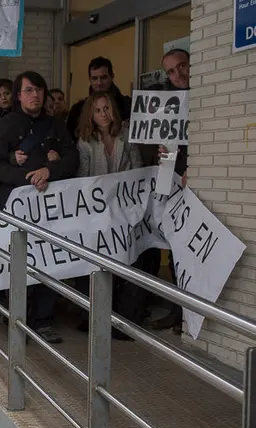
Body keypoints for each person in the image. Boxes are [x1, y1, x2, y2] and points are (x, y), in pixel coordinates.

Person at [0, 71, 79, 344]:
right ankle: (17, 316)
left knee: (48, 261)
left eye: (39, 90)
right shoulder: (5, 125)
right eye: (28, 90)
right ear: (18, 95)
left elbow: (72, 157)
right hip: (16, 207)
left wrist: (49, 170)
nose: (35, 95)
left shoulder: (56, 125)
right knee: (17, 262)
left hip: (49, 207)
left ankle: (44, 320)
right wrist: (28, 177)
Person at [74, 92, 144, 339]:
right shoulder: (85, 141)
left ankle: (124, 322)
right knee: (95, 264)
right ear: (90, 116)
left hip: (125, 209)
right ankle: (92, 316)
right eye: (98, 110)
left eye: (107, 108)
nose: (103, 114)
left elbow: (136, 170)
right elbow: (83, 177)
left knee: (128, 263)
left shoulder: (128, 137)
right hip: (97, 211)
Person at [149, 48, 191, 335]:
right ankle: (178, 313)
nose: (178, 75)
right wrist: (160, 150)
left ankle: (188, 315)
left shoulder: (207, 95)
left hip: (195, 185)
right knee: (175, 250)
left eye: (182, 67)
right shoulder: (166, 103)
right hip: (172, 183)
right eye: (171, 72)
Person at [67, 57, 132, 139]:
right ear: (89, 79)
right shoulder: (77, 109)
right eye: (95, 78)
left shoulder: (126, 104)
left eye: (103, 77)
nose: (99, 83)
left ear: (112, 76)